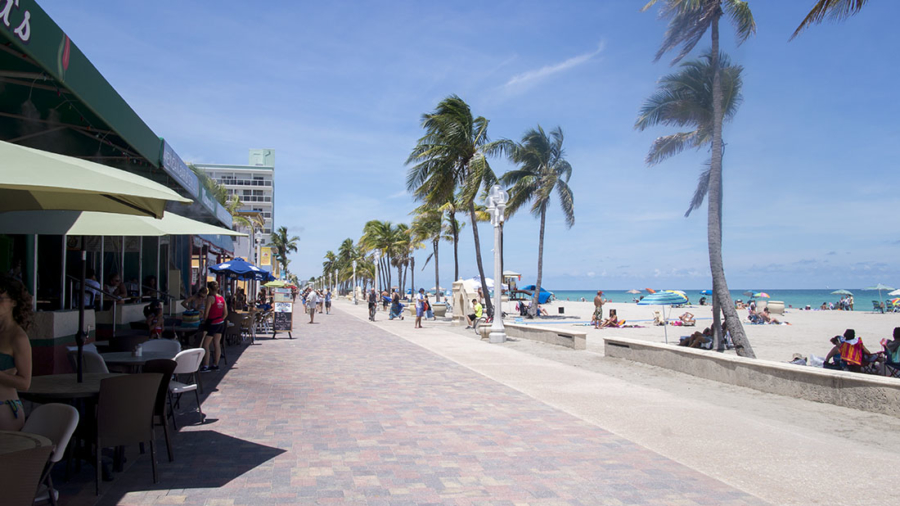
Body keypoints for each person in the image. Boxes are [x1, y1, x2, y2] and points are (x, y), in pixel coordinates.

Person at [0, 275, 33, 431]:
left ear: (13, 302)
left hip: (4, 408)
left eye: (0, 298)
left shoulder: (18, 337)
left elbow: (25, 383)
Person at [200, 281, 228, 372]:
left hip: (212, 323)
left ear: (210, 289)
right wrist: (220, 319)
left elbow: (206, 313)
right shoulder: (221, 298)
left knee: (206, 345)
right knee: (216, 343)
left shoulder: (210, 298)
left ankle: (205, 365)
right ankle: (216, 364)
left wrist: (205, 320)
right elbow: (225, 313)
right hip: (220, 323)